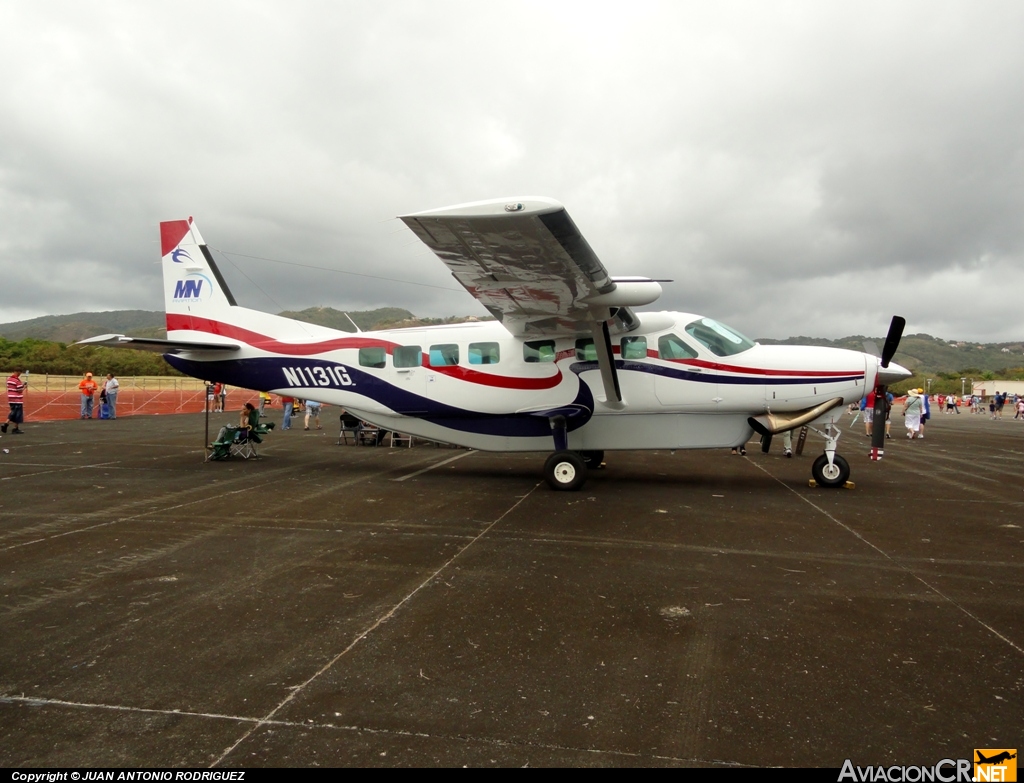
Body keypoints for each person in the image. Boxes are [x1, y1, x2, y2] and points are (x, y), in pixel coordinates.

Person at [2, 369, 27, 434]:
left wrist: (21, 386)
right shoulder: (17, 380)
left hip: (11, 398)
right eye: (20, 373)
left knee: (13, 412)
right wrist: (24, 387)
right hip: (17, 399)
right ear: (18, 372)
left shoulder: (9, 379)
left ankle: (7, 424)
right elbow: (19, 390)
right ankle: (13, 427)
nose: (20, 374)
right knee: (17, 414)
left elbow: (13, 388)